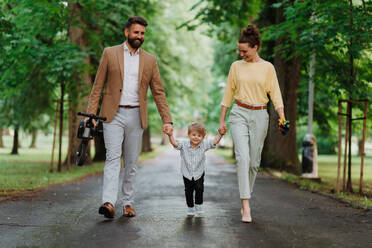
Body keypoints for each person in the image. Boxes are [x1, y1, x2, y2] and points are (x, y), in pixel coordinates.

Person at [85, 16, 173, 219]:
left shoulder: (150, 60)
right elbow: (98, 86)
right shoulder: (110, 53)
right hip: (112, 115)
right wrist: (92, 114)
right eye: (136, 32)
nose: (139, 36)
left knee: (132, 162)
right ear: (127, 32)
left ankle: (128, 203)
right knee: (113, 158)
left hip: (136, 114)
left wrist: (166, 119)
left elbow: (158, 92)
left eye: (142, 33)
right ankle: (108, 202)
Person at [218, 24, 286, 223]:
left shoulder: (268, 68)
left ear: (255, 47)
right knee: (243, 158)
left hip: (260, 115)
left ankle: (246, 195)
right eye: (239, 50)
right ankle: (245, 205)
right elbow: (228, 94)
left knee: (255, 162)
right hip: (239, 112)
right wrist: (222, 120)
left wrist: (281, 115)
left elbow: (276, 94)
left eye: (245, 51)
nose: (241, 54)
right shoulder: (235, 67)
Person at [167, 123, 224, 216]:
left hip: (199, 172)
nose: (196, 137)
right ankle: (190, 207)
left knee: (199, 188)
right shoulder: (184, 144)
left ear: (203, 137)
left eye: (199, 136)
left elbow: (214, 142)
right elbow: (175, 143)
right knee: (188, 191)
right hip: (187, 172)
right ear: (189, 135)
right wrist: (170, 135)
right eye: (193, 135)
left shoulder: (204, 144)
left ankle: (198, 204)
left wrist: (220, 135)